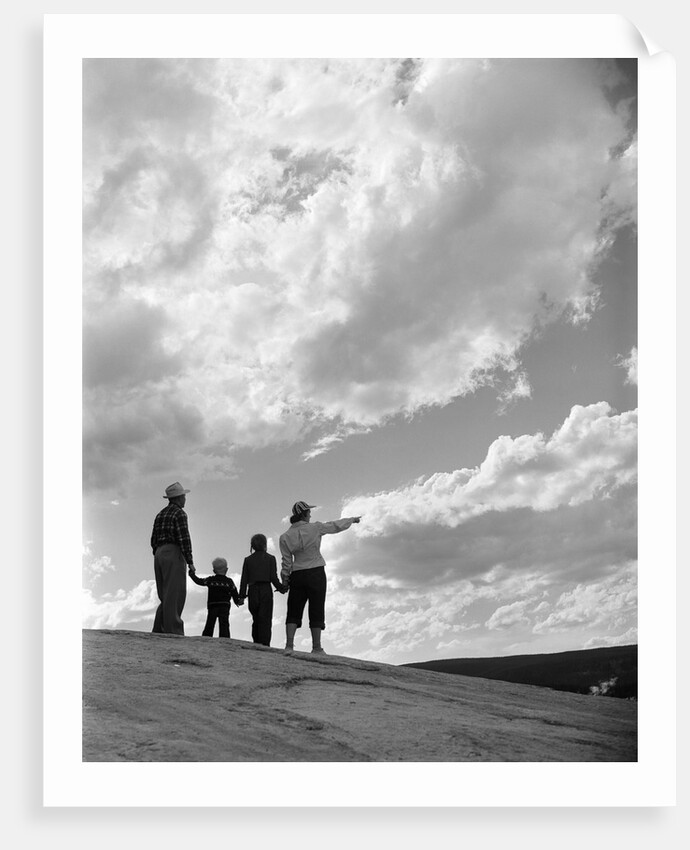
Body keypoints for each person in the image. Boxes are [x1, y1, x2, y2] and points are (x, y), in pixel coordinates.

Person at [279, 501, 361, 655]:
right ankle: (316, 647)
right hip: (316, 572)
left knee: (294, 609)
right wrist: (351, 520)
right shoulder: (315, 528)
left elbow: (286, 562)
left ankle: (289, 645)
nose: (310, 515)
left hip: (297, 574)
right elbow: (334, 526)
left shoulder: (285, 537)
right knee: (316, 608)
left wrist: (285, 580)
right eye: (309, 512)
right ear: (304, 514)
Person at [150, 481, 195, 635]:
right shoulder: (179, 514)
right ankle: (173, 629)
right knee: (175, 593)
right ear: (178, 498)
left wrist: (158, 552)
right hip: (173, 552)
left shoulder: (160, 514)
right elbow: (184, 538)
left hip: (159, 553)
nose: (185, 499)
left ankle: (159, 628)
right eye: (183, 496)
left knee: (165, 593)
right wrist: (190, 561)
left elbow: (153, 539)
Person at [239, 534, 286, 647]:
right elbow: (273, 577)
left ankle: (256, 642)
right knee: (265, 619)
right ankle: (265, 644)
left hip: (252, 591)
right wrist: (282, 588)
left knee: (256, 619)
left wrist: (241, 596)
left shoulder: (248, 560)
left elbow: (244, 579)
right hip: (265, 590)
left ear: (252, 545)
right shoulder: (270, 558)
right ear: (265, 544)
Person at [188, 557, 243, 638]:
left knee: (210, 623)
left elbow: (199, 581)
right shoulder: (229, 582)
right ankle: (225, 638)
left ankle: (206, 637)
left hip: (212, 605)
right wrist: (237, 601)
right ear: (226, 569)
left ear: (214, 570)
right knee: (224, 624)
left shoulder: (210, 580)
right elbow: (234, 593)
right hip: (224, 605)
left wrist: (192, 574)